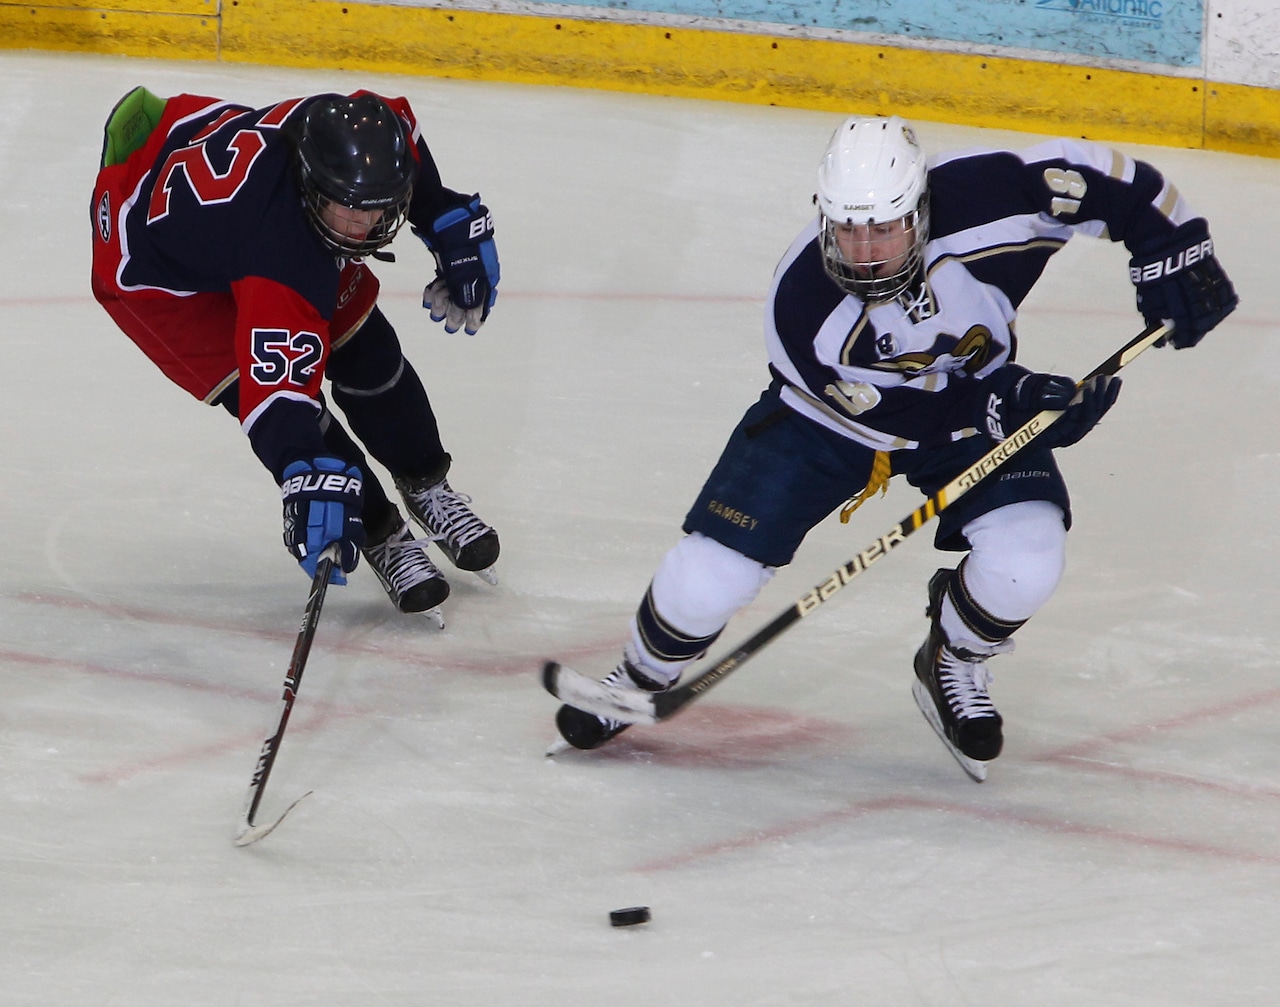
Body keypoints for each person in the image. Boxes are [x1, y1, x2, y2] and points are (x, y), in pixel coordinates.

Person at [552, 115, 1237, 775]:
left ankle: (954, 658)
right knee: (705, 580)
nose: (867, 250)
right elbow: (902, 414)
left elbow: (1106, 176)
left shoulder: (992, 196)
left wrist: (1174, 247)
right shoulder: (803, 305)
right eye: (848, 232)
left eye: (884, 228)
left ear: (920, 208)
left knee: (1028, 558)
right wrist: (1012, 405)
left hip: (978, 399)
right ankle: (637, 675)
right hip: (829, 424)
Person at [90, 86, 504, 624]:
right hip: (152, 276)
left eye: (379, 210)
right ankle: (382, 532)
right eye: (351, 212)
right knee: (304, 424)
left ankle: (427, 485)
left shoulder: (352, 137)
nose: (365, 228)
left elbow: (406, 146)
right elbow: (281, 400)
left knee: (367, 352)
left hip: (200, 169)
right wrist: (302, 474)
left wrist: (442, 213)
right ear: (313, 187)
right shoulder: (281, 256)